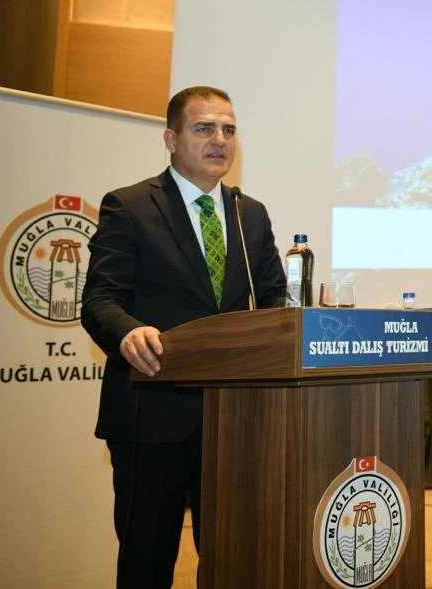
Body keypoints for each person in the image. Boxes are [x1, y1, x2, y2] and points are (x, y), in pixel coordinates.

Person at [81, 86, 287, 588]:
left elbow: (274, 298)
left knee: (234, 559)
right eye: (204, 129)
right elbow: (100, 300)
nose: (220, 140)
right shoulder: (130, 206)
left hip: (235, 419)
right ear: (171, 139)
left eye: (228, 130)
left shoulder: (249, 213)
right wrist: (129, 332)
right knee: (147, 563)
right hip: (152, 411)